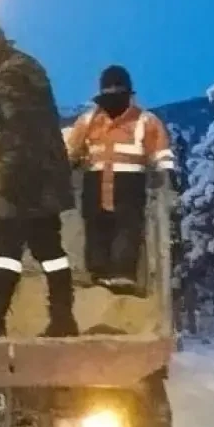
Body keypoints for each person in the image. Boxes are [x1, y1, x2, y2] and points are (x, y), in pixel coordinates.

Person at [0, 14, 78, 338]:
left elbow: (20, 130)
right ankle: (63, 319)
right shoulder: (20, 65)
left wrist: (8, 178)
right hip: (44, 176)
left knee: (5, 248)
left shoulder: (7, 73)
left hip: (27, 176)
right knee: (48, 250)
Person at [65, 66, 176, 291]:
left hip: (129, 184)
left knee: (127, 227)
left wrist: (164, 176)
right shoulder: (88, 121)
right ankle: (98, 273)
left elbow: (161, 152)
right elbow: (72, 149)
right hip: (95, 182)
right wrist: (70, 163)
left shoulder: (146, 121)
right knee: (96, 227)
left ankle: (123, 274)